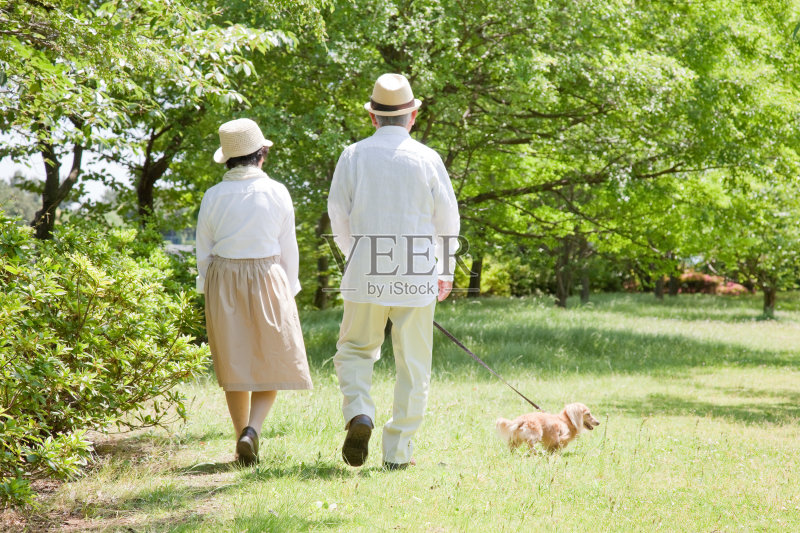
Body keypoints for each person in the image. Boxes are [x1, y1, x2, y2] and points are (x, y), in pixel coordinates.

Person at [328, 73, 460, 470]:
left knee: (355, 350)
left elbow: (338, 214)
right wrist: (446, 269)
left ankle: (359, 412)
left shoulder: (352, 155)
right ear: (413, 116)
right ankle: (398, 453)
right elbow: (447, 220)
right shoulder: (427, 158)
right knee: (413, 365)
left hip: (364, 269)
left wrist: (355, 255)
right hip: (418, 271)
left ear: (372, 117)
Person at [196, 118, 313, 465]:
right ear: (261, 154)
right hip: (268, 274)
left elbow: (204, 250)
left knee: (235, 362)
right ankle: (253, 430)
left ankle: (240, 441)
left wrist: (207, 288)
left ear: (228, 159)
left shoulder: (213, 196)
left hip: (223, 278)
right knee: (271, 358)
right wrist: (290, 287)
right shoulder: (277, 191)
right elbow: (288, 247)